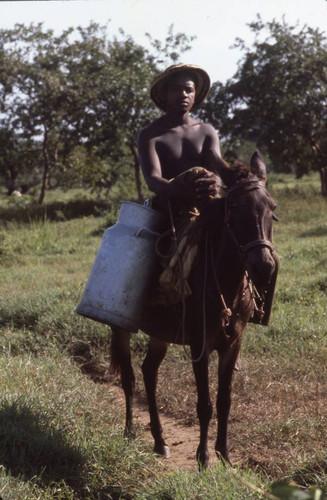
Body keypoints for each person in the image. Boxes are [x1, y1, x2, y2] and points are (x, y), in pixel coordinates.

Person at [137, 63, 225, 209]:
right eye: (175, 89)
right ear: (165, 95)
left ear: (195, 95)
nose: (183, 94)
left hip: (207, 205)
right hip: (167, 211)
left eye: (189, 90)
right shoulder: (150, 135)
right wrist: (184, 191)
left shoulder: (206, 132)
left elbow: (217, 173)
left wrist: (214, 184)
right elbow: (153, 179)